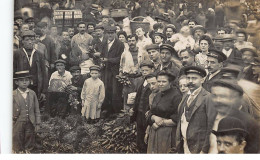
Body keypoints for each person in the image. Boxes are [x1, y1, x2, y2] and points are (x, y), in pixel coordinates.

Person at [209, 79, 260, 153]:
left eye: (223, 96)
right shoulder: (212, 115)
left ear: (234, 98)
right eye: (214, 96)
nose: (218, 100)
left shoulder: (249, 123)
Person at [176, 66, 215, 153]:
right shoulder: (186, 96)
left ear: (202, 80)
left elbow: (211, 126)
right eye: (188, 78)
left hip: (198, 148)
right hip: (184, 144)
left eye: (194, 78)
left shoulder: (208, 97)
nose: (190, 81)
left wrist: (204, 150)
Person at [146, 70, 182, 153]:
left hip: (167, 133)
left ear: (170, 82)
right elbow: (150, 112)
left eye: (164, 81)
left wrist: (161, 122)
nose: (160, 84)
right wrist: (154, 117)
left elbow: (177, 118)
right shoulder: (158, 95)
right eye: (158, 81)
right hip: (154, 131)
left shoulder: (176, 96)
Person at [13, 30, 47, 100]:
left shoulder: (39, 54)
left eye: (32, 39)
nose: (30, 42)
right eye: (27, 40)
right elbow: (13, 71)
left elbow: (44, 73)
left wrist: (43, 91)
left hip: (36, 86)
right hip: (21, 86)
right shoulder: (17, 53)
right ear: (22, 41)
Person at [13, 70, 41, 152]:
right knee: (17, 138)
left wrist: (38, 122)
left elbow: (36, 109)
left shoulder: (32, 93)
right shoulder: (13, 94)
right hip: (18, 121)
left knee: (29, 138)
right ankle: (18, 152)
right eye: (21, 80)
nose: (24, 82)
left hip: (30, 121)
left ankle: (28, 152)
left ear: (29, 81)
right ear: (16, 82)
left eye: (26, 80)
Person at [130, 60, 155, 153]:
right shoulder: (142, 81)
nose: (144, 72)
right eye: (142, 70)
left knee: (147, 137)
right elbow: (138, 98)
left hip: (147, 114)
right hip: (139, 113)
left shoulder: (154, 82)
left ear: (152, 70)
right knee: (139, 135)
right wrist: (133, 109)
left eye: (146, 70)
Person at [100, 26, 124, 116]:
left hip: (115, 71)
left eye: (112, 33)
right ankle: (107, 109)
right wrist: (101, 60)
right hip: (105, 70)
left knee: (115, 91)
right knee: (106, 90)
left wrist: (108, 60)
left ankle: (117, 111)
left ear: (115, 33)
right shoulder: (104, 43)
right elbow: (102, 55)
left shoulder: (120, 44)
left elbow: (120, 58)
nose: (110, 35)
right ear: (106, 34)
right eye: (108, 33)